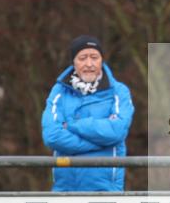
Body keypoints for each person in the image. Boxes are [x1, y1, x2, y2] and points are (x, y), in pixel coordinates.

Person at [41, 35, 134, 192]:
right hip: (64, 189)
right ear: (73, 62)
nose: (89, 64)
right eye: (82, 58)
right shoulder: (59, 91)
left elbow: (117, 131)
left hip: (106, 190)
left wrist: (71, 126)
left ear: (102, 60)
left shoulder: (119, 91)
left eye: (94, 57)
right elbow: (52, 136)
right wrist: (101, 141)